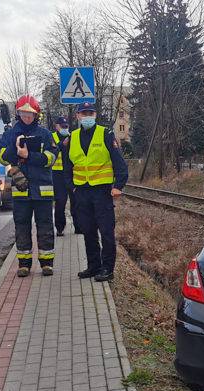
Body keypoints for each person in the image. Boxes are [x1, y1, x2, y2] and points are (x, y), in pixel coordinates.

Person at [63, 102, 128, 282]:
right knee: (88, 231)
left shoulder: (105, 134)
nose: (87, 116)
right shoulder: (72, 137)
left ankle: (108, 268)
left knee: (106, 232)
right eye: (84, 113)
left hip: (102, 192)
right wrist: (72, 188)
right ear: (77, 116)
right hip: (82, 192)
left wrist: (118, 186)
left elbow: (120, 163)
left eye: (90, 113)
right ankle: (94, 266)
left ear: (95, 114)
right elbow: (66, 167)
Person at [0, 95, 57, 278]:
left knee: (45, 225)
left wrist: (28, 155)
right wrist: (15, 152)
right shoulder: (10, 134)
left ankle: (47, 263)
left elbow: (51, 158)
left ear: (36, 115)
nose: (27, 116)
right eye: (23, 113)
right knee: (21, 226)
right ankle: (24, 264)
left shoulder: (45, 134)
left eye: (30, 114)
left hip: (43, 189)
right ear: (18, 113)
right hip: (20, 190)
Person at [50, 116, 79, 236]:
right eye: (62, 126)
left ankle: (79, 227)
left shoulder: (73, 136)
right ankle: (60, 228)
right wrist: (62, 144)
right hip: (58, 175)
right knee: (60, 202)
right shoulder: (52, 137)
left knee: (76, 201)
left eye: (66, 126)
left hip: (72, 173)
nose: (65, 128)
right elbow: (52, 152)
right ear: (57, 126)